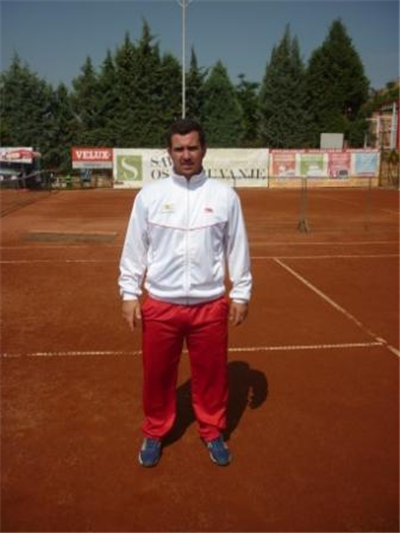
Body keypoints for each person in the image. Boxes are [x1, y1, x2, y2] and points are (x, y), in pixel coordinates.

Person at [118, 118, 252, 467]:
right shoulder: (150, 196)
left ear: (204, 149)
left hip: (210, 305)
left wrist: (241, 292)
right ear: (169, 152)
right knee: (157, 375)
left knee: (212, 375)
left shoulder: (224, 196)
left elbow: (237, 246)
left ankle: (212, 429)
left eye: (192, 147)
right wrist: (129, 293)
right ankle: (155, 430)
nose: (186, 155)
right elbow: (135, 248)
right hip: (162, 304)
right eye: (179, 149)